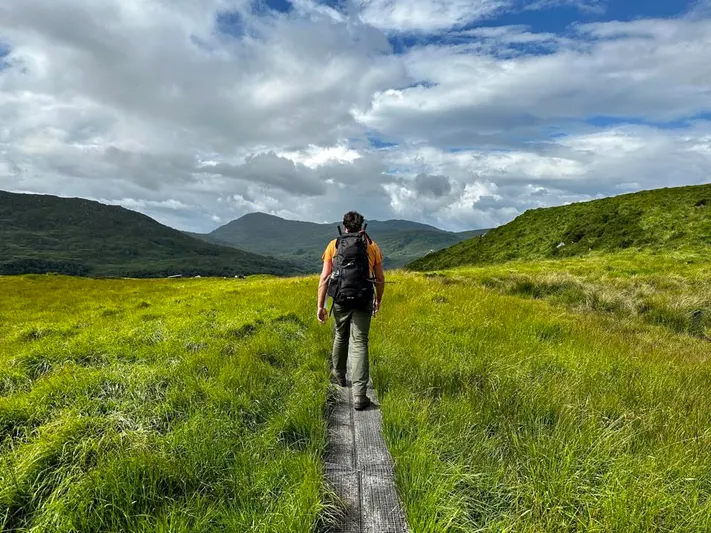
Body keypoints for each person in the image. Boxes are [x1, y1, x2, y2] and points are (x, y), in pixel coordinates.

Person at [317, 211, 386, 410]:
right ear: (362, 226)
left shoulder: (334, 245)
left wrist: (320, 306)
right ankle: (359, 396)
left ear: (344, 226)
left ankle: (339, 376)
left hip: (340, 298)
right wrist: (378, 300)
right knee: (360, 342)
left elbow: (324, 278)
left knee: (340, 335)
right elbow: (380, 279)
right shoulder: (371, 246)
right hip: (363, 298)